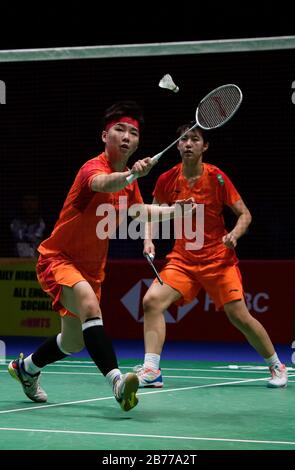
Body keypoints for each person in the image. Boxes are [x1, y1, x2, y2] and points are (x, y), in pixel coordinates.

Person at [8, 101, 194, 412]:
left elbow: (140, 213)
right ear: (104, 136)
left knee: (72, 342)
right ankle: (118, 384)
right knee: (90, 307)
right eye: (119, 130)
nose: (126, 137)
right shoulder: (92, 169)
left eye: (133, 133)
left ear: (137, 142)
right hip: (59, 258)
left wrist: (175, 211)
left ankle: (26, 369)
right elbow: (102, 183)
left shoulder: (127, 183)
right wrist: (131, 176)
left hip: (93, 269)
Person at [136, 122, 288, 389]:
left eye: (194, 139)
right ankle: (152, 370)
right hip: (182, 260)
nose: (187, 144)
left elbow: (245, 214)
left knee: (239, 316)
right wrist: (148, 239)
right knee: (151, 302)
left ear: (204, 146)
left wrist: (234, 235)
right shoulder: (167, 179)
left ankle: (277, 364)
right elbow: (151, 212)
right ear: (178, 145)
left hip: (218, 260)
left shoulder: (217, 177)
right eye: (183, 139)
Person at [10, 193, 46, 257]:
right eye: (26, 200)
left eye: (33, 200)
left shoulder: (44, 225)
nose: (29, 204)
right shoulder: (13, 224)